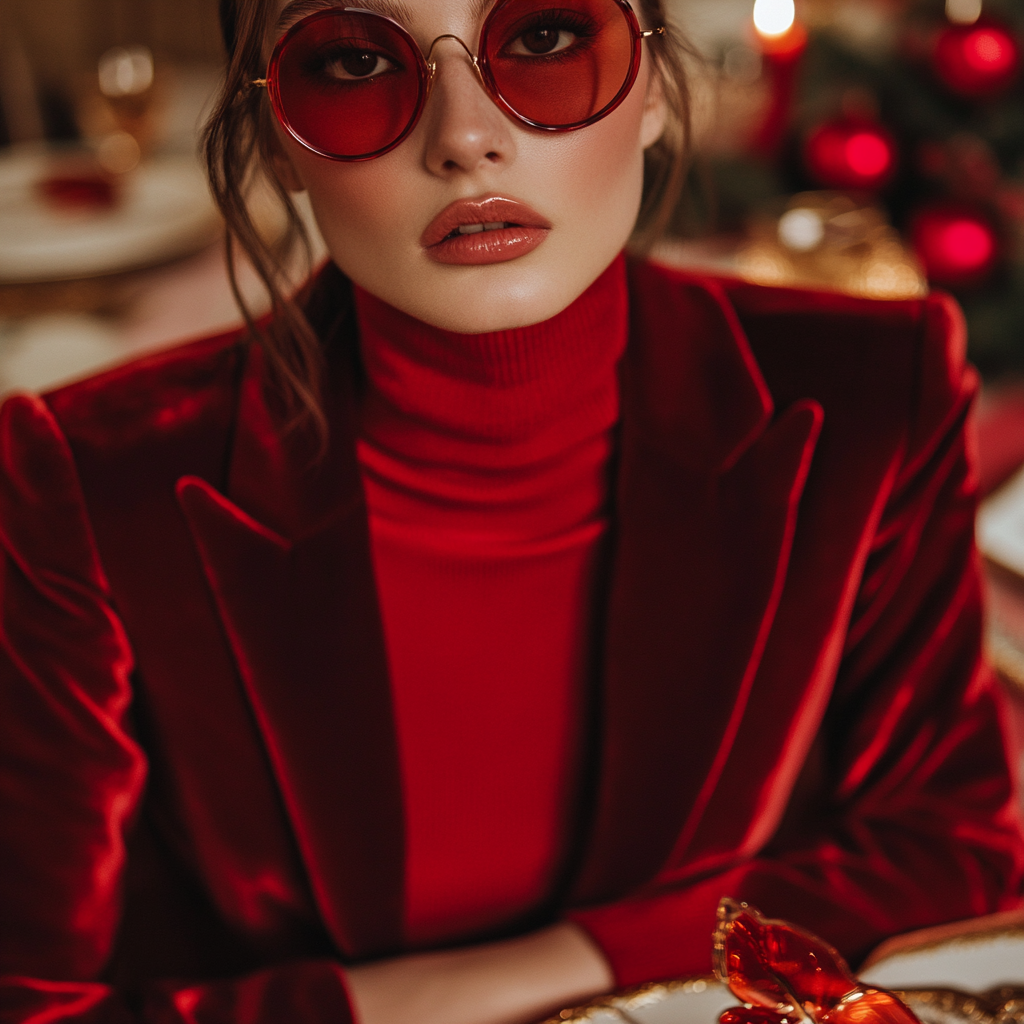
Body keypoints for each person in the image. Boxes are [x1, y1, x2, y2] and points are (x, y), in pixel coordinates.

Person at [1, 0, 1022, 1022]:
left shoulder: (870, 392)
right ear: (274, 139)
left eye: (542, 41)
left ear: (658, 85)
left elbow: (951, 846)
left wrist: (527, 978)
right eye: (357, 62)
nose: (463, 139)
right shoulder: (87, 486)